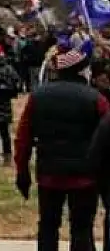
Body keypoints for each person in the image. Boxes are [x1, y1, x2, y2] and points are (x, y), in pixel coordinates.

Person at [16, 37, 107, 251]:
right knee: (82, 229)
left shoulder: (37, 97)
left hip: (49, 174)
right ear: (81, 71)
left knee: (48, 227)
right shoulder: (96, 99)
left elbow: (23, 138)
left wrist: (22, 171)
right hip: (85, 176)